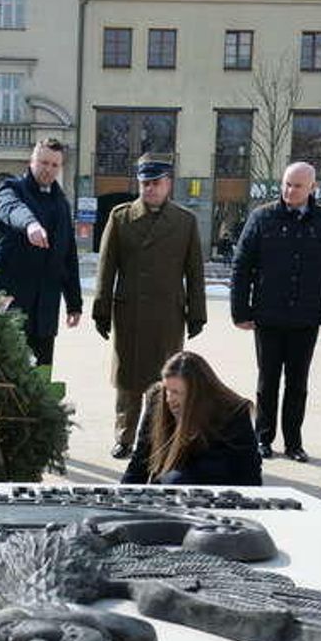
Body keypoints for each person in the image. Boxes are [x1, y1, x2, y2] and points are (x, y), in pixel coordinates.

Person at [230, 161, 321, 464]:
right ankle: (263, 438)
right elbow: (242, 267)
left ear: (312, 188)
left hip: (306, 318)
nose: (289, 191)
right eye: (285, 184)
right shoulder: (262, 217)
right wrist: (239, 311)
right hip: (268, 316)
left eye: (296, 186)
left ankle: (294, 442)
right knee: (267, 380)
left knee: (298, 383)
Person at [92, 153, 206, 459]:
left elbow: (195, 272)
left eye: (156, 183)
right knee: (127, 380)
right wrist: (101, 309)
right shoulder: (120, 217)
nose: (150, 189)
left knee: (165, 378)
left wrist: (197, 314)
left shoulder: (185, 222)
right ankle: (124, 437)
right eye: (145, 183)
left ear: (168, 183)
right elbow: (106, 268)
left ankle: (160, 437)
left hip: (167, 314)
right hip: (130, 311)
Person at [0, 137, 82, 369]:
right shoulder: (10, 188)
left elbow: (68, 256)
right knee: (5, 377)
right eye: (43, 162)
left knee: (41, 380)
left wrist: (74, 303)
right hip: (10, 304)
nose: (48, 169)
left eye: (54, 165)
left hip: (45, 310)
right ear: (32, 160)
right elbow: (11, 209)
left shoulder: (62, 204)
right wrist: (30, 224)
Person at [122, 352, 261, 486]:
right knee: (174, 480)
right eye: (167, 390)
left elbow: (249, 472)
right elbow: (140, 462)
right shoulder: (157, 400)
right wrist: (121, 498)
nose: (169, 399)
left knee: (177, 479)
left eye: (176, 392)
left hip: (214, 490)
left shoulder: (234, 412)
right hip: (167, 490)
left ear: (198, 393)